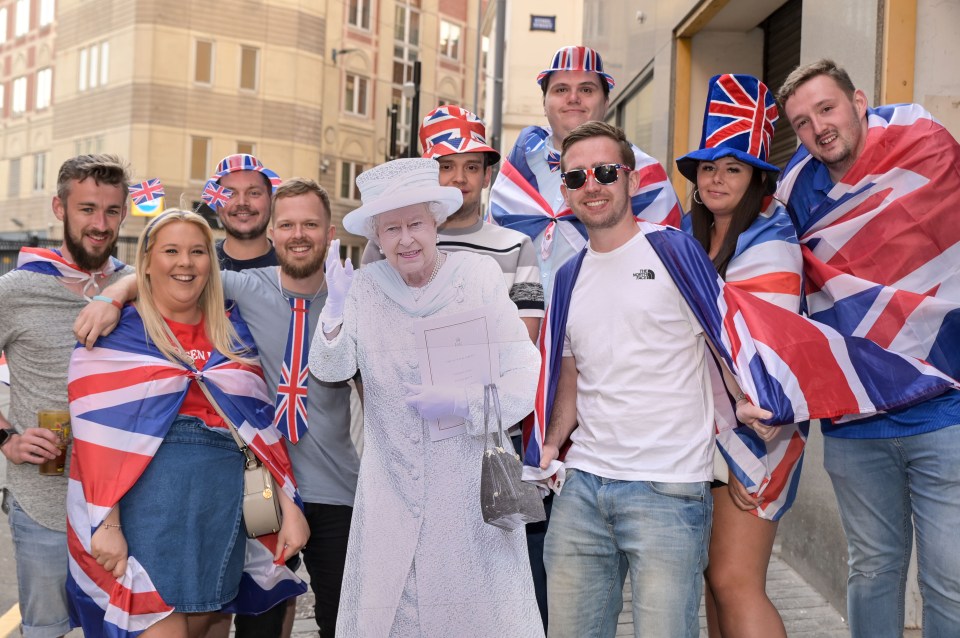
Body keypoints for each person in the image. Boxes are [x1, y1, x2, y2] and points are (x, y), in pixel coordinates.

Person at [74, 179, 361, 637]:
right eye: (287, 223)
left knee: (346, 620)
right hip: (244, 496)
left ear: (330, 232)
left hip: (333, 490)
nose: (298, 233)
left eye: (311, 224)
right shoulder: (245, 289)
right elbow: (169, 267)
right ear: (273, 232)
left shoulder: (354, 298)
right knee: (251, 624)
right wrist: (113, 294)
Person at [308, 158, 544, 637]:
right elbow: (330, 369)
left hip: (467, 499)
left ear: (434, 220)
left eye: (415, 223)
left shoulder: (477, 276)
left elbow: (525, 372)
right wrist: (333, 309)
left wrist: (465, 403)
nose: (406, 239)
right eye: (391, 228)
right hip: (390, 494)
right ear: (376, 235)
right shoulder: (366, 288)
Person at [775, 59, 960, 636]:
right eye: (802, 123)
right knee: (873, 570)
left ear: (858, 101)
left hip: (945, 410)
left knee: (950, 579)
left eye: (826, 109)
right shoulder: (795, 194)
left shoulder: (927, 153)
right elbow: (780, 287)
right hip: (856, 421)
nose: (818, 129)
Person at [534, 121, 715, 638]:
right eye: (576, 177)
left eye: (605, 171)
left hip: (669, 487)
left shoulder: (676, 252)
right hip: (583, 489)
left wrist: (754, 403)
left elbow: (729, 341)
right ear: (566, 191)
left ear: (631, 181)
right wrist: (550, 444)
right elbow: (571, 374)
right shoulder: (568, 275)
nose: (592, 184)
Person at [675, 74, 805, 638]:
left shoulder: (771, 240)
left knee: (736, 581)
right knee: (713, 578)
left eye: (733, 168)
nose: (718, 178)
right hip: (700, 430)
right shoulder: (690, 236)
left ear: (756, 177)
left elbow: (763, 359)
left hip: (755, 430)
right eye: (709, 167)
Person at [0, 154, 134, 638]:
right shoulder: (14, 291)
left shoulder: (138, 286)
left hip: (127, 501)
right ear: (60, 208)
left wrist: (126, 288)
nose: (100, 224)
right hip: (44, 501)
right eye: (87, 209)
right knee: (46, 631)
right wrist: (6, 440)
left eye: (112, 211)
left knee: (125, 626)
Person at [489, 45, 682, 301]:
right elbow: (492, 250)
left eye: (586, 89)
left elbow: (667, 265)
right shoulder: (517, 167)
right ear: (544, 103)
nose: (573, 98)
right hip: (518, 327)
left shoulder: (643, 175)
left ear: (606, 101)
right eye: (561, 89)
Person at [363, 105, 545, 342]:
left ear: (487, 176)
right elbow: (367, 332)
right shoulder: (386, 243)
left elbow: (523, 347)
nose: (459, 178)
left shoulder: (518, 248)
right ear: (425, 174)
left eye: (471, 167)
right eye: (446, 166)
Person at [211, 153, 281, 271]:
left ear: (271, 200)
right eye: (230, 194)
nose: (242, 202)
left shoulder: (294, 267)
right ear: (217, 205)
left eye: (254, 193)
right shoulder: (200, 266)